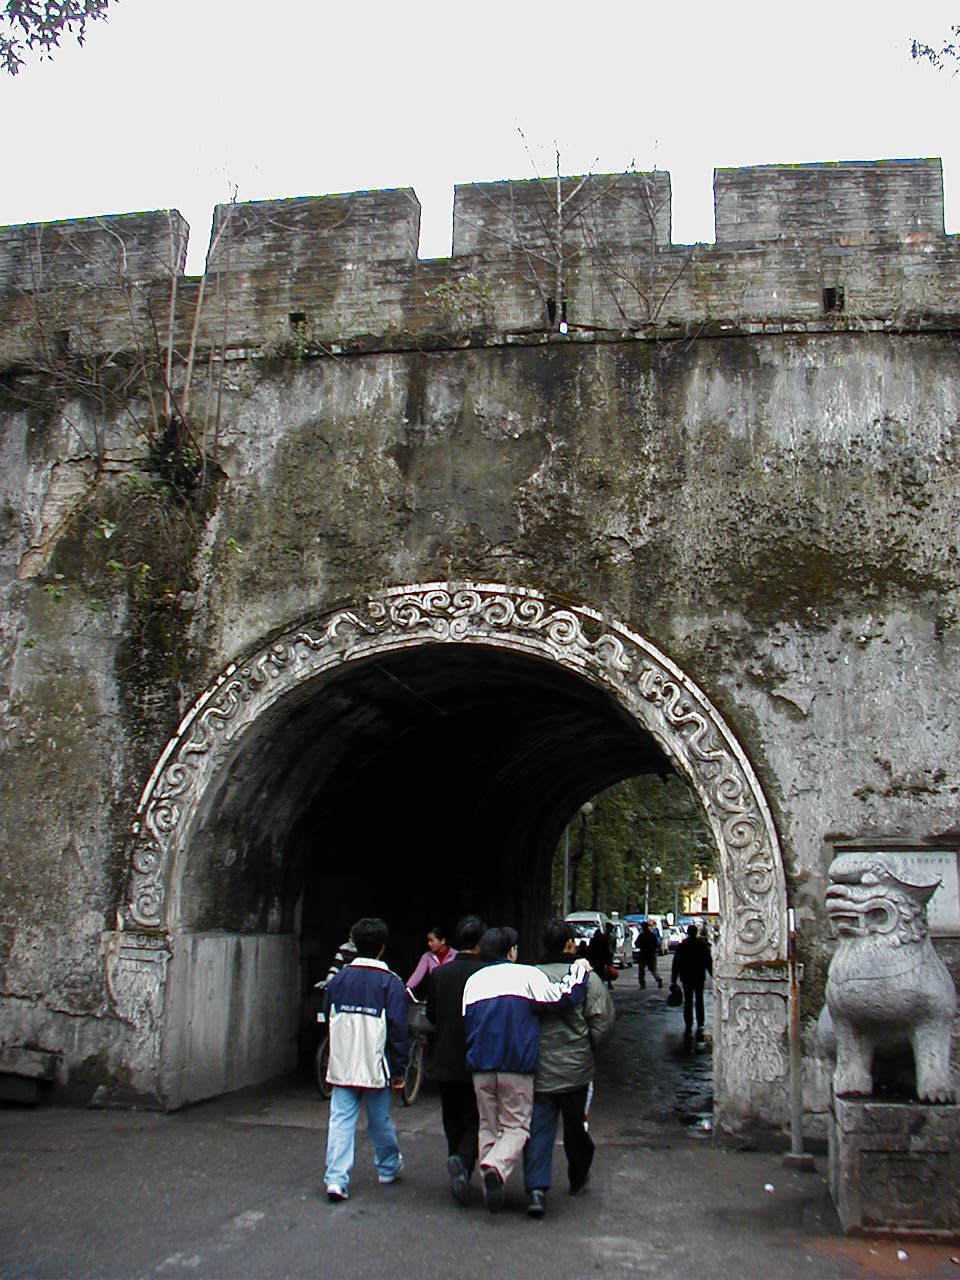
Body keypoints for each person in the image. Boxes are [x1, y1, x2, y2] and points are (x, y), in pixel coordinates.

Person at [462, 926, 591, 1214]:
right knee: (518, 1126)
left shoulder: (473, 982)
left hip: (481, 1066)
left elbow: (468, 1023)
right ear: (511, 951)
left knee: (488, 1125)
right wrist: (579, 970)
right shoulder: (527, 976)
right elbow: (562, 996)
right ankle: (495, 1167)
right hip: (516, 1065)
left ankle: (491, 1185)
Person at [523, 919, 616, 1218]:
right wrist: (588, 1047)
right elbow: (603, 1021)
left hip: (540, 1068)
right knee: (576, 1127)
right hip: (577, 1070)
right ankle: (578, 1176)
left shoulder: (530, 976)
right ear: (569, 945)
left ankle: (536, 1189)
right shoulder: (587, 979)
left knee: (539, 1128)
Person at [322, 916, 408, 1203]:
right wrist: (399, 1069)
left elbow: (329, 1013)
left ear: (354, 944)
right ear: (382, 947)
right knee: (378, 1120)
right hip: (376, 1065)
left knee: (341, 1119)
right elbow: (398, 1029)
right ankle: (388, 1166)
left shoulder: (339, 980)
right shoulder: (390, 983)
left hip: (344, 1061)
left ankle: (336, 1178)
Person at [425, 914, 488, 1206]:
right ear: (481, 942)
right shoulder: (488, 974)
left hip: (445, 1056)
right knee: (477, 1116)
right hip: (478, 1056)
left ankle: (456, 1161)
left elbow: (432, 1015)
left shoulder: (440, 975)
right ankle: (463, 1161)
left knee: (451, 1116)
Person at [671, 923, 713, 1044]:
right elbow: (708, 961)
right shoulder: (702, 945)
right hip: (699, 977)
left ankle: (688, 1025)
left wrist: (674, 980)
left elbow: (676, 963)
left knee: (688, 1002)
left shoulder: (682, 946)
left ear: (688, 933)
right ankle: (700, 1024)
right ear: (696, 932)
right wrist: (713, 975)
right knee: (699, 1000)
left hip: (686, 977)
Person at [406, 925, 458, 994]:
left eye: (432, 941)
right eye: (428, 941)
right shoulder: (427, 956)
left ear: (443, 941)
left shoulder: (456, 955)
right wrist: (407, 988)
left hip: (453, 992)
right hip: (435, 993)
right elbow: (417, 975)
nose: (429, 944)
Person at [636, 920, 663, 989]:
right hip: (651, 955)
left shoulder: (642, 935)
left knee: (641, 971)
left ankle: (642, 984)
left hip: (643, 955)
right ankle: (658, 980)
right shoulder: (652, 935)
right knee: (653, 970)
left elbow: (636, 944)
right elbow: (656, 945)